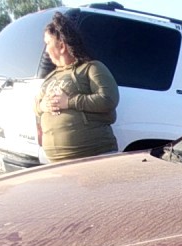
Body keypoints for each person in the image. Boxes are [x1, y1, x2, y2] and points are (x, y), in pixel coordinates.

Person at [34, 13, 119, 163]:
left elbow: (109, 99)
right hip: (56, 163)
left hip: (93, 157)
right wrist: (43, 105)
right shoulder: (50, 77)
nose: (46, 50)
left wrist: (70, 102)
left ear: (61, 46)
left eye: (48, 43)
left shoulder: (91, 68)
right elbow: (35, 106)